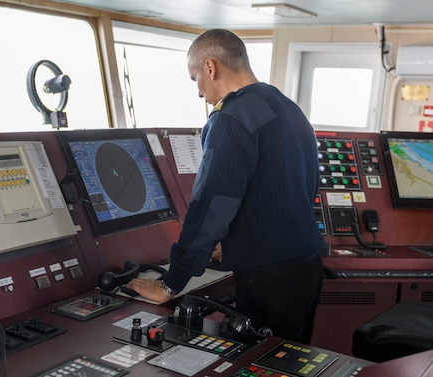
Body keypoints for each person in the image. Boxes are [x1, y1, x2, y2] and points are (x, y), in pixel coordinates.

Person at [125, 28, 325, 344]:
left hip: (269, 278)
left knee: (260, 366)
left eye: (195, 79)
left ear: (210, 67)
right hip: (306, 266)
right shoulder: (286, 106)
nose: (199, 92)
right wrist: (233, 243)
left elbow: (211, 205)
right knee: (290, 361)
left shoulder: (231, 117)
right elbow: (298, 188)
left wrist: (171, 283)